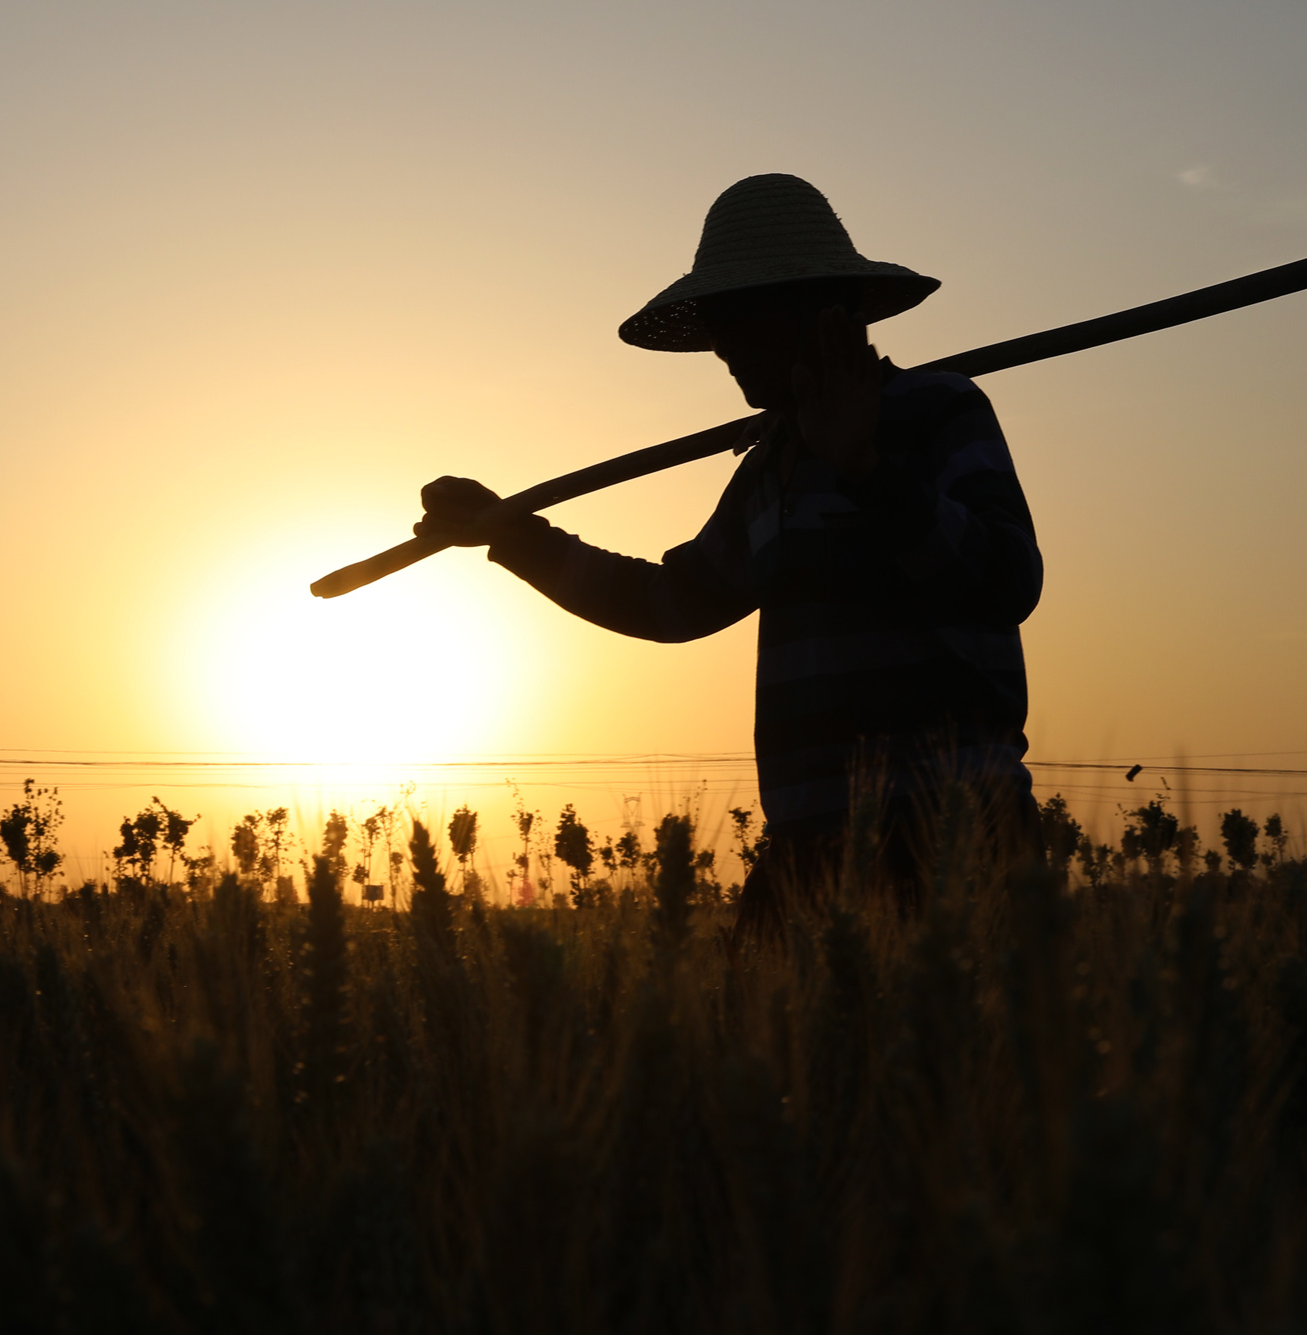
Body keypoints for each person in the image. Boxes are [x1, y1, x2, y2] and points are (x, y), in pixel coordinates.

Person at [414, 173, 1043, 925]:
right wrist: (517, 537)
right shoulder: (772, 463)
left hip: (955, 829)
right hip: (809, 848)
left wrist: (864, 470)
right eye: (718, 326)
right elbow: (673, 602)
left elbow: (1007, 582)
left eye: (741, 320)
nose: (724, 350)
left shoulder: (937, 410)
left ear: (819, 312)